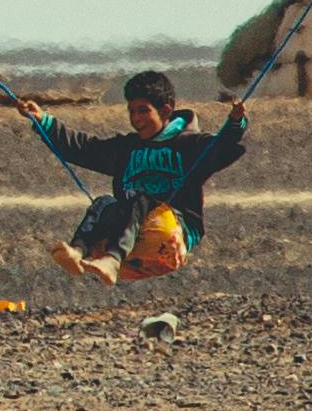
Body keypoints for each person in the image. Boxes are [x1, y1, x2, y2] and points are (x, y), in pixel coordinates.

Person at [33, 68, 251, 283]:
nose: (136, 118)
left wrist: (235, 123)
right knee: (103, 203)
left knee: (141, 200)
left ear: (165, 111)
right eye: (131, 111)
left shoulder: (189, 145)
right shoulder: (127, 148)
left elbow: (224, 146)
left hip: (171, 234)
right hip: (132, 240)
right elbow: (83, 148)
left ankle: (112, 260)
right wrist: (43, 121)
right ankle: (78, 252)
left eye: (143, 110)